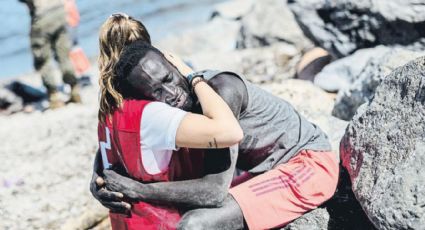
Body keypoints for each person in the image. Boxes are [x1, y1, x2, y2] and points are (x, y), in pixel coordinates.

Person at [91, 14, 339, 230]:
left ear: (174, 64)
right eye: (157, 93)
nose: (171, 94)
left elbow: (213, 191)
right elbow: (117, 140)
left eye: (169, 78)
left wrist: (138, 190)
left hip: (307, 165)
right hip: (265, 171)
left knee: (195, 224)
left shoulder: (220, 90)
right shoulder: (170, 106)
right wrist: (100, 178)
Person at [19, 0, 82, 109]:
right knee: (63, 55)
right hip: (59, 11)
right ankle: (74, 89)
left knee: (42, 59)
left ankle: (54, 96)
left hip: (42, 15)